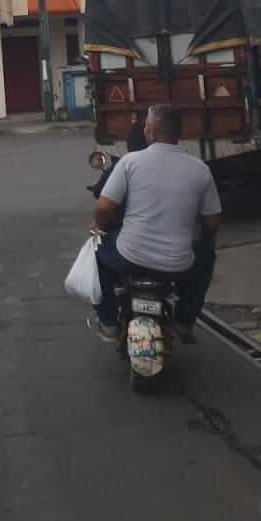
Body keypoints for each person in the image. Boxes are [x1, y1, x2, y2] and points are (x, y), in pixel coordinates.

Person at [88, 103, 220, 345]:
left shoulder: (130, 162)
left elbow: (104, 207)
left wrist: (97, 227)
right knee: (207, 257)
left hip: (129, 256)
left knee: (96, 257)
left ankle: (107, 322)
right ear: (179, 133)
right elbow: (211, 224)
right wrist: (204, 245)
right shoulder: (200, 170)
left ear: (149, 131)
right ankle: (184, 320)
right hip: (178, 263)